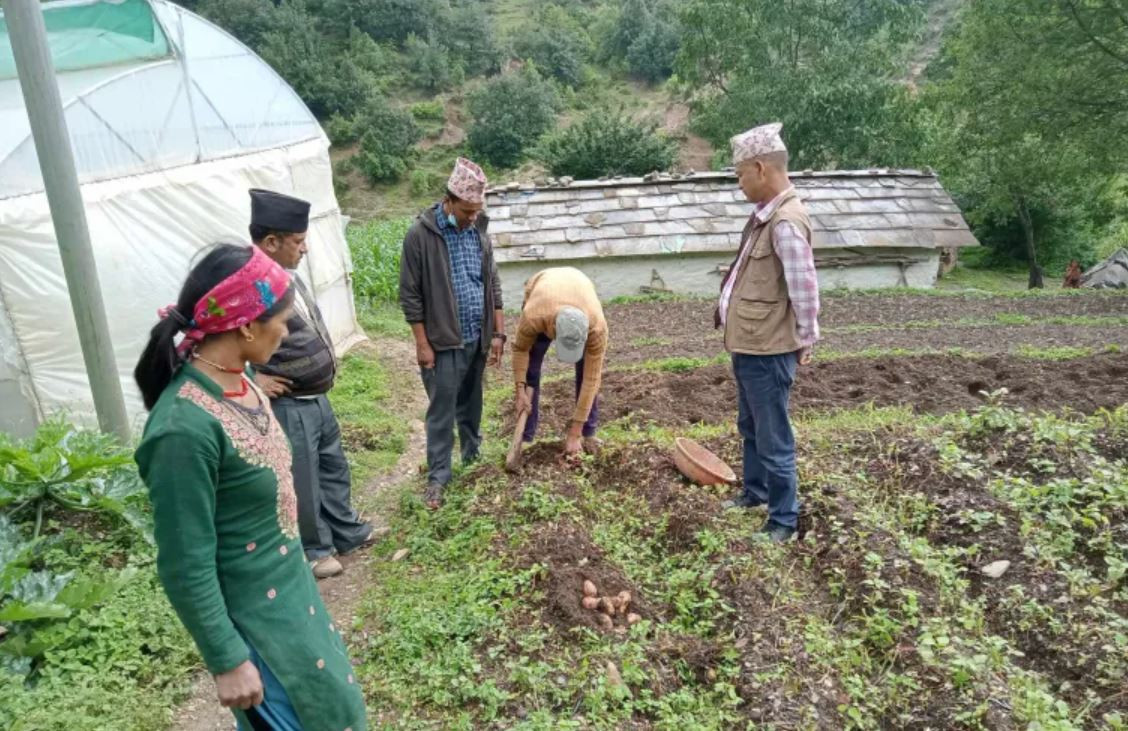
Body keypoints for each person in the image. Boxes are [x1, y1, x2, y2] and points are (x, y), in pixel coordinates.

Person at [134, 244, 367, 730]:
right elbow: (185, 562)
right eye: (282, 321)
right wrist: (226, 660)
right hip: (256, 627)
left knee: (338, 711)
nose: (287, 332)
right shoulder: (183, 430)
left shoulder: (242, 380)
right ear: (244, 326)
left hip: (293, 599)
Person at [248, 189, 374, 580]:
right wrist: (255, 377)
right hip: (291, 403)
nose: (304, 249)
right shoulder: (250, 286)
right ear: (272, 242)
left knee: (333, 466)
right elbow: (221, 339)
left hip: (316, 398)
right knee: (302, 476)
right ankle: (316, 549)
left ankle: (347, 531)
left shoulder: (287, 277)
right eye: (298, 241)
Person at [714, 122, 821, 543]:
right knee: (751, 425)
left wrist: (805, 339)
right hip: (751, 344)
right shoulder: (765, 218)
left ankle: (783, 520)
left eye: (741, 175)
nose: (739, 184)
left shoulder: (785, 222)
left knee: (774, 435)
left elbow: (805, 288)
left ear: (761, 168)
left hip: (768, 349)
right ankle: (755, 493)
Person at [399, 157, 505, 509]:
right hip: (442, 343)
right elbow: (410, 295)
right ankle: (438, 477)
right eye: (467, 210)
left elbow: (493, 285)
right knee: (442, 411)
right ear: (449, 200)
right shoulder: (421, 235)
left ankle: (473, 462)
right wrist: (422, 344)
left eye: (477, 210)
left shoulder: (479, 232)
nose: (473, 216)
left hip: (476, 336)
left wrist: (497, 335)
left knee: (471, 406)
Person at [511, 267, 608, 456]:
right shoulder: (534, 316)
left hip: (581, 288)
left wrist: (574, 432)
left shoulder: (596, 328)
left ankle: (587, 432)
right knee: (531, 368)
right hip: (543, 288)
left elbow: (591, 380)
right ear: (552, 327)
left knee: (587, 374)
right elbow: (520, 349)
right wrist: (520, 389)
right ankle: (526, 437)